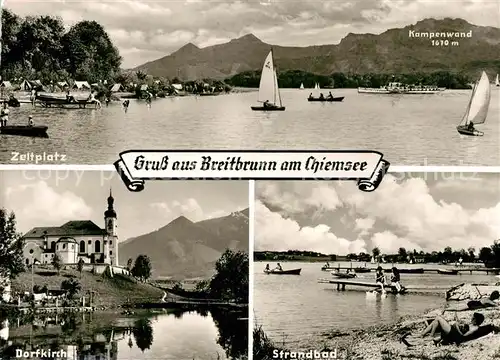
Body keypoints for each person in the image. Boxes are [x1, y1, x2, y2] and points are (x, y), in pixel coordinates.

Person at [402, 312, 484, 346]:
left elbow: (463, 336)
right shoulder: (473, 324)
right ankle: (422, 335)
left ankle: (428, 335)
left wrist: (456, 325)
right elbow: (463, 329)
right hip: (453, 331)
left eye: (473, 318)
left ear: (476, 320)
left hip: (454, 334)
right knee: (436, 322)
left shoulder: (475, 328)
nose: (471, 319)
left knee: (438, 318)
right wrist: (458, 322)